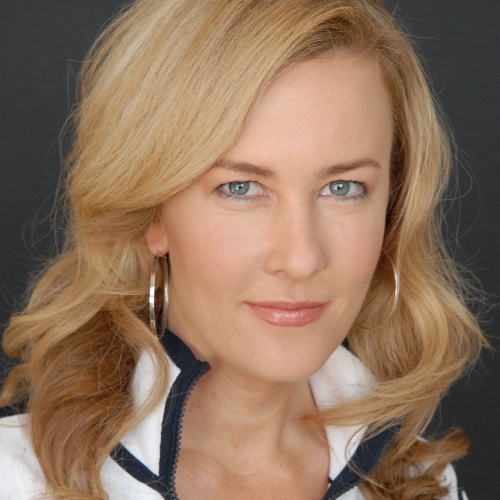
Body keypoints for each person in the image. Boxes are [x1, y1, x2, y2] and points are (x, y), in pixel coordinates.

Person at [0, 0, 487, 499]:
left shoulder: (422, 482)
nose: (301, 259)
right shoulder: (16, 478)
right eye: (240, 188)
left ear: (392, 208)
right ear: (151, 212)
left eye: (342, 188)